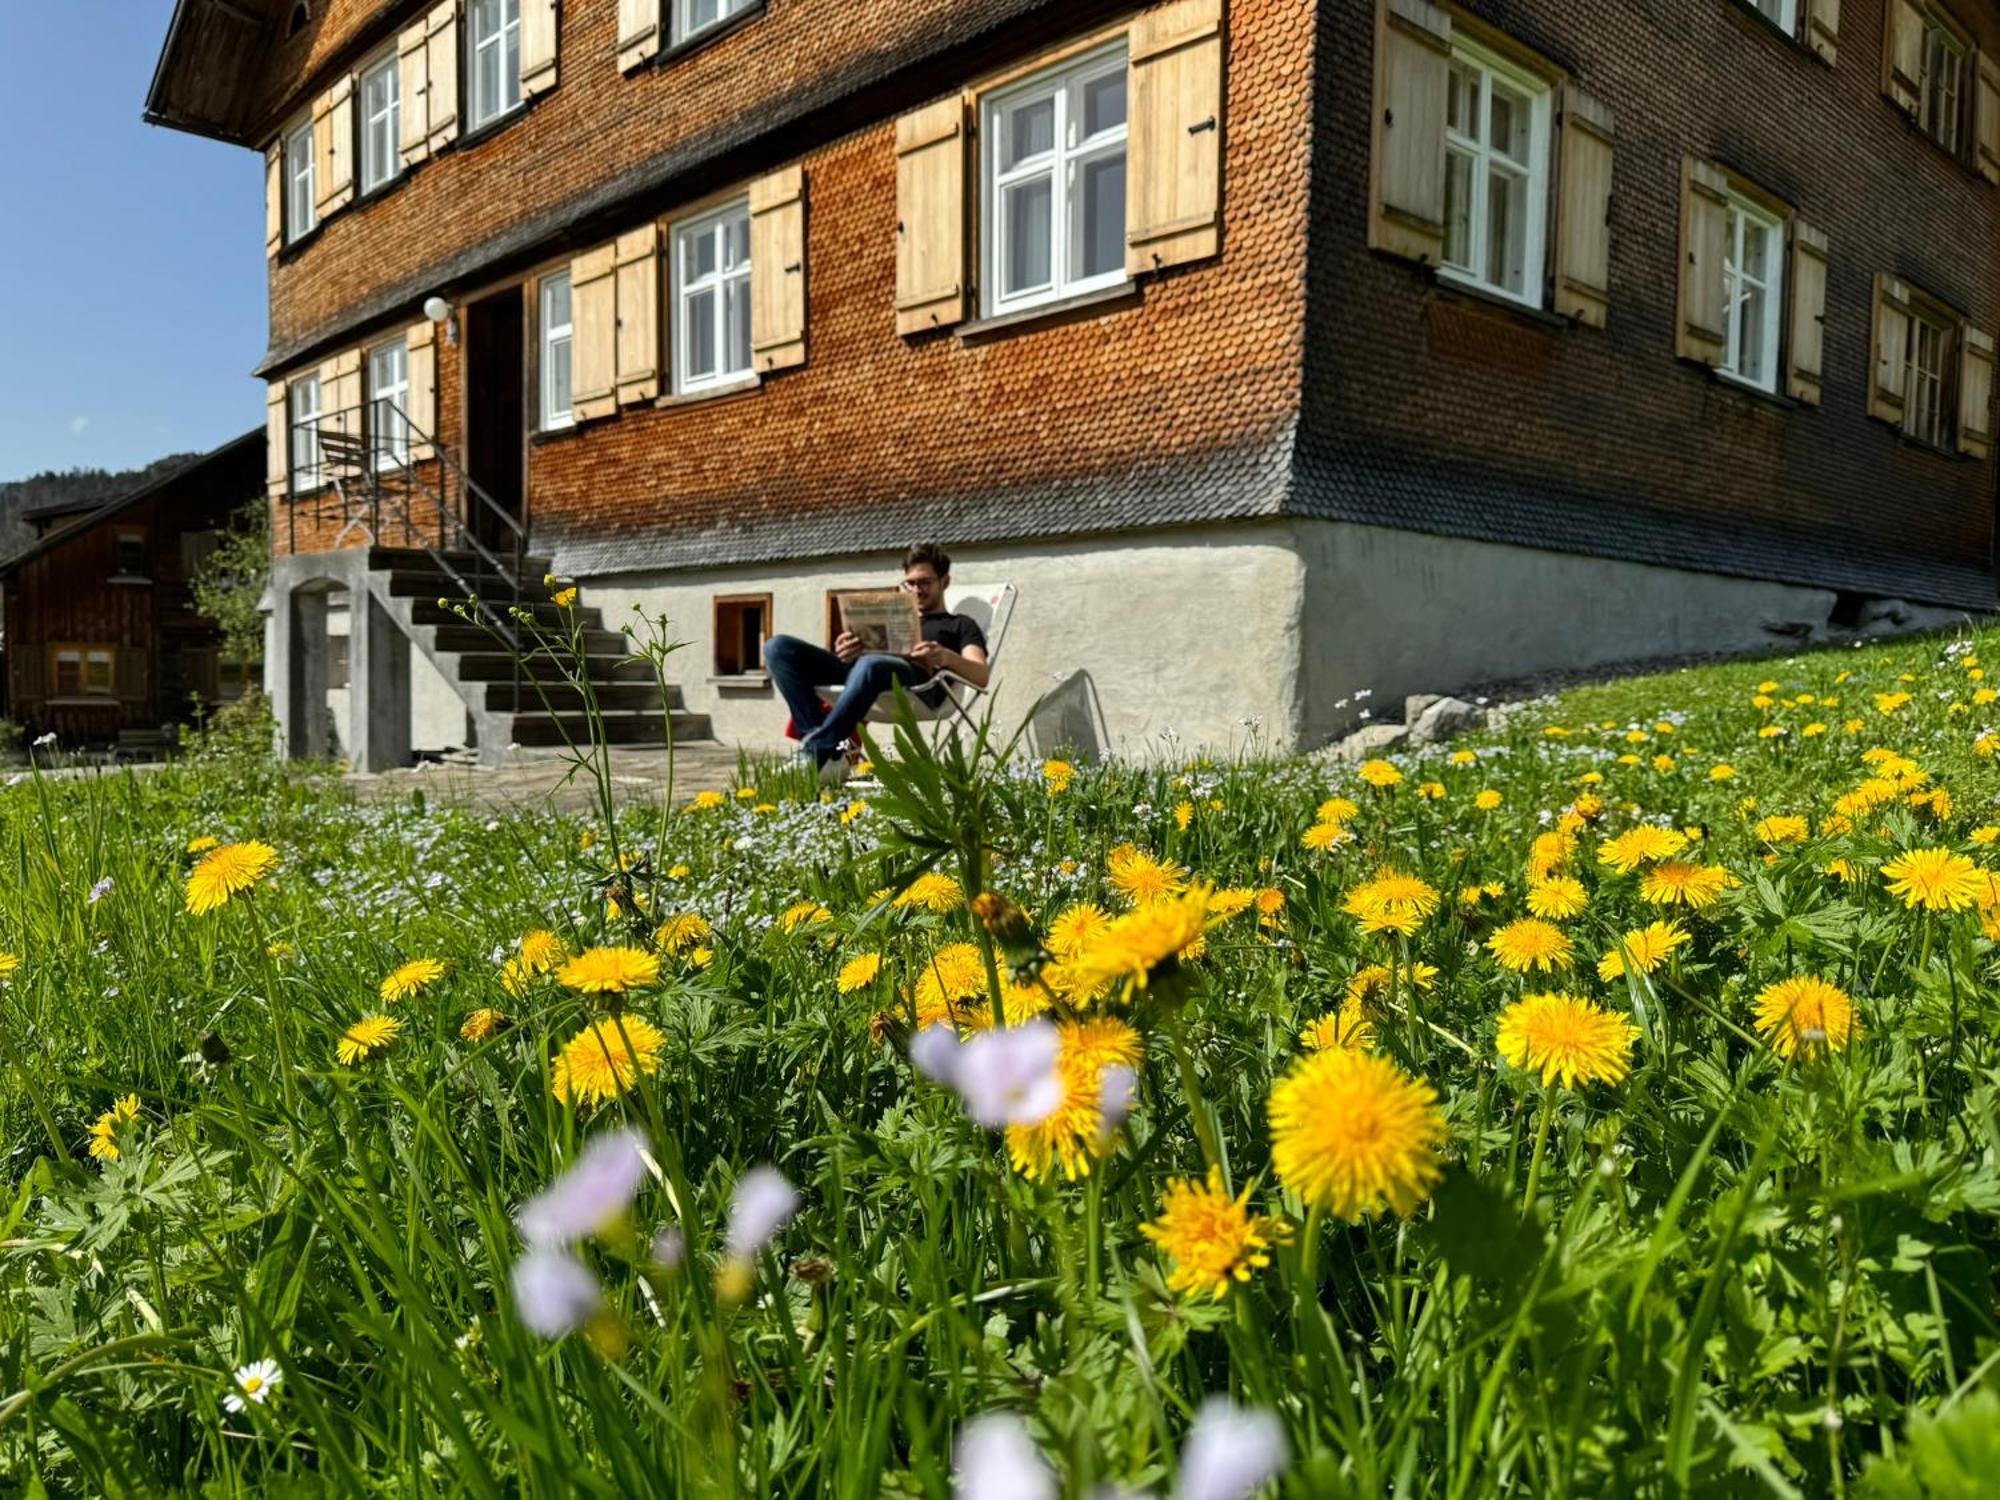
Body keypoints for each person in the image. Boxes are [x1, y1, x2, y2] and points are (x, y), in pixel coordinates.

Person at [764, 542, 990, 778]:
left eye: (925, 582)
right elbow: (859, 663)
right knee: (778, 647)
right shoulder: (892, 614)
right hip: (866, 675)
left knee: (871, 664)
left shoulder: (960, 624)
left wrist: (945, 656)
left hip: (916, 684)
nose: (916, 590)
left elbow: (980, 675)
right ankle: (826, 752)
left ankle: (815, 753)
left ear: (945, 582)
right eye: (910, 583)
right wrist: (846, 651)